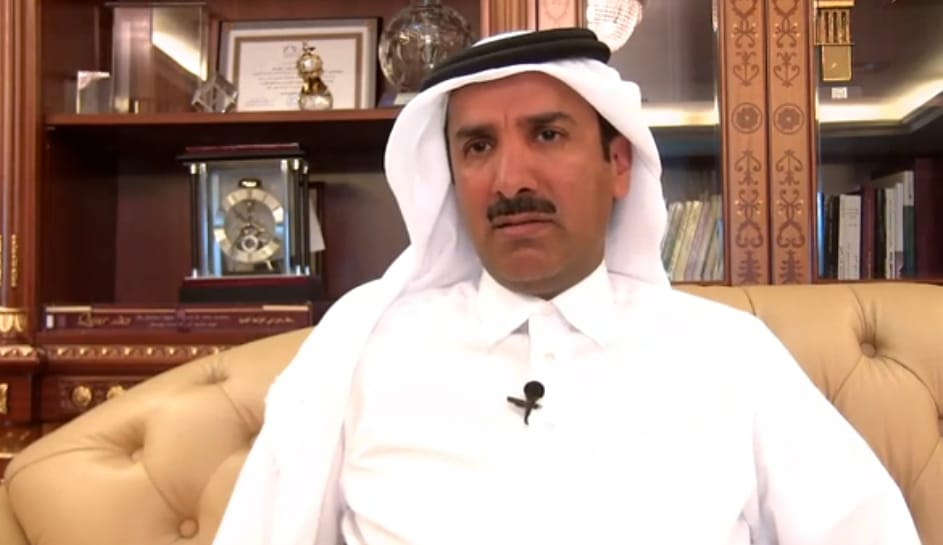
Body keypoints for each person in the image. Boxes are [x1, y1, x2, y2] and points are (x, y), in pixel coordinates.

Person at [211, 28, 920, 545]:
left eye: (546, 135)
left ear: (619, 165)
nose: (510, 179)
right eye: (478, 146)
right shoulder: (361, 355)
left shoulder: (728, 353)